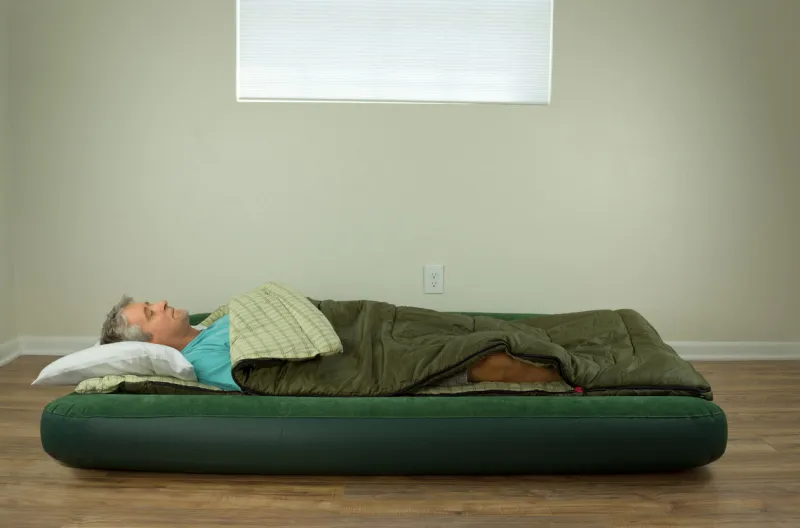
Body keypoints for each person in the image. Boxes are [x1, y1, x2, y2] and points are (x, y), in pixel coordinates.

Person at [100, 296, 563, 392]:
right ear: (150, 343)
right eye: (150, 312)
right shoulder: (201, 363)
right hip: (354, 356)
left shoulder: (212, 323)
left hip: (357, 326)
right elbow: (267, 375)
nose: (162, 303)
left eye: (151, 302)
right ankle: (573, 375)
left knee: (450, 324)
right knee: (481, 355)